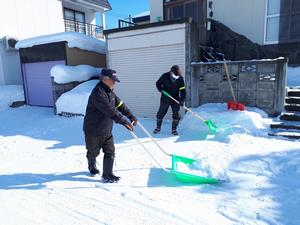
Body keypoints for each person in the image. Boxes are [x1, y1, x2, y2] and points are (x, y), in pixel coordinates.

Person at [83, 68, 137, 183]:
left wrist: (130, 116)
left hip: (106, 129)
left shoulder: (109, 91)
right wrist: (124, 122)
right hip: (93, 130)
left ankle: (107, 175)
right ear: (105, 79)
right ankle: (91, 164)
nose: (115, 82)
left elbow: (120, 104)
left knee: (110, 152)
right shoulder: (98, 93)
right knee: (93, 152)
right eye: (113, 80)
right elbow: (109, 111)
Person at [154, 65, 186, 135]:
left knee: (176, 114)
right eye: (175, 76)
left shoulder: (180, 78)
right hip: (165, 98)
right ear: (171, 72)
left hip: (175, 99)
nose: (176, 78)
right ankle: (158, 127)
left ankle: (174, 130)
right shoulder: (165, 76)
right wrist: (161, 90)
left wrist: (182, 99)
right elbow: (158, 83)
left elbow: (182, 89)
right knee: (161, 113)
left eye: (177, 76)